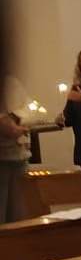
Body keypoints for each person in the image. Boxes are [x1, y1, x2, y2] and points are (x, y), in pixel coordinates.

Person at [0, 93, 29, 223]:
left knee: (19, 212)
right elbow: (9, 127)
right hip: (3, 157)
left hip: (17, 155)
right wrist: (18, 128)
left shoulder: (12, 87)